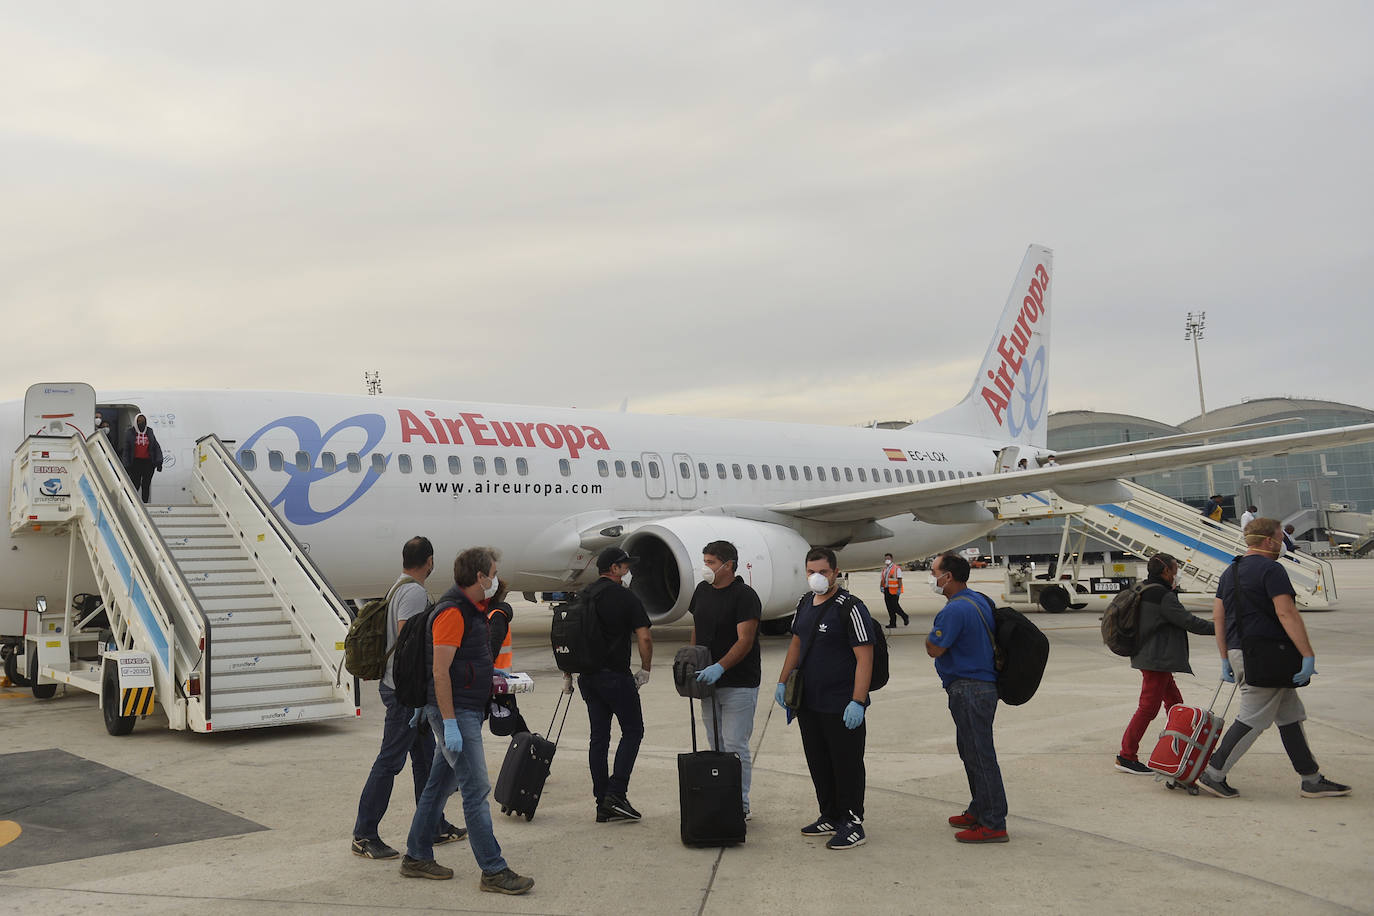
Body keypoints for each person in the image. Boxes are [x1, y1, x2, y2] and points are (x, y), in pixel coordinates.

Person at [402, 547, 534, 895]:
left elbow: (464, 663)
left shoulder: (473, 610)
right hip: (455, 713)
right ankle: (493, 870)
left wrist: (493, 676)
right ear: (479, 577)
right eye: (491, 572)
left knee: (437, 785)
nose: (494, 578)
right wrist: (449, 723)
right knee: (475, 791)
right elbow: (440, 672)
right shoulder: (453, 612)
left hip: (466, 708)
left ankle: (416, 855)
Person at [1197, 518, 1350, 800]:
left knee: (1290, 715)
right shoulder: (1272, 569)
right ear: (1269, 541)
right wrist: (1308, 655)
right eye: (1281, 537)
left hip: (1241, 651)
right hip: (1266, 655)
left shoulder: (1231, 571)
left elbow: (1219, 616)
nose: (1283, 543)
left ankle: (1311, 778)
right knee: (1252, 717)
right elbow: (1286, 612)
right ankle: (1213, 773)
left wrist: (1224, 658)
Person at [352, 537, 464, 859]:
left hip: (405, 690)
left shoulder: (397, 587)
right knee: (390, 761)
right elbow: (408, 639)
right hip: (404, 693)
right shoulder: (414, 592)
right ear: (429, 560)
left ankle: (434, 824)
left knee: (426, 760)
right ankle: (364, 833)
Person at [774, 547, 874, 850]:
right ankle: (829, 814)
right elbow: (796, 643)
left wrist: (857, 700)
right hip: (810, 701)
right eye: (811, 572)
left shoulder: (850, 607)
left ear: (835, 572)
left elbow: (864, 658)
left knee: (847, 764)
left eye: (823, 572)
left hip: (840, 703)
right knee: (818, 761)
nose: (817, 577)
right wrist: (782, 682)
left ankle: (853, 822)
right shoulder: (805, 602)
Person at [925, 552, 1009, 843]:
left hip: (969, 688)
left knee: (980, 755)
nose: (932, 577)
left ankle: (994, 822)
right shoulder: (980, 599)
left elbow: (934, 648)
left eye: (934, 571)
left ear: (948, 577)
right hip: (981, 687)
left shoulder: (953, 611)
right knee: (971, 752)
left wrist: (930, 640)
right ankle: (979, 808)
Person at [1113, 553, 1215, 774]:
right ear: (1166, 571)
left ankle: (1183, 745)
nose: (1177, 574)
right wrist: (1222, 628)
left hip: (1148, 655)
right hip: (1156, 659)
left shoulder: (1143, 589)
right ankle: (1126, 755)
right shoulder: (1162, 595)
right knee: (1148, 708)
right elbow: (1189, 621)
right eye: (1175, 569)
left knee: (1175, 703)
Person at [688, 540, 762, 818]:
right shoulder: (702, 591)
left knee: (734, 745)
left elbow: (745, 640)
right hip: (708, 683)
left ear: (728, 565)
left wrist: (720, 666)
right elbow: (697, 629)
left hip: (739, 683)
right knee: (715, 744)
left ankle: (740, 805)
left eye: (711, 562)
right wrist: (692, 659)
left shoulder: (744, 596)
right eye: (705, 561)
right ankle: (720, 795)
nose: (706, 567)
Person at [579, 546, 653, 823]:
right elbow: (644, 638)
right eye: (624, 566)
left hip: (588, 677)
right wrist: (645, 669)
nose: (628, 570)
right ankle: (616, 793)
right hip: (615, 676)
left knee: (599, 737)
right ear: (614, 569)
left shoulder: (584, 594)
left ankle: (602, 801)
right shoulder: (625, 597)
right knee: (633, 731)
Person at [485, 579, 529, 736]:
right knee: (514, 722)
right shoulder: (489, 614)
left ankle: (530, 751)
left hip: (497, 680)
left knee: (512, 723)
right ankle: (529, 749)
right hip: (492, 676)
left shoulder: (496, 616)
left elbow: (492, 648)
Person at [121, 413, 163, 503]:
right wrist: (126, 464)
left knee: (146, 484)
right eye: (139, 421)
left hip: (148, 462)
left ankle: (145, 503)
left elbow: (156, 446)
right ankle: (132, 502)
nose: (141, 423)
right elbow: (126, 449)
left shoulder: (149, 431)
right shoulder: (130, 432)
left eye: (143, 421)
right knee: (135, 484)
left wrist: (159, 461)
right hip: (135, 462)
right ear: (136, 422)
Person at [880, 553, 909, 629]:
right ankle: (892, 623)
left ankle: (905, 616)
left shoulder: (896, 568)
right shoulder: (884, 569)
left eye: (888, 558)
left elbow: (899, 579)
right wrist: (881, 587)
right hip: (886, 590)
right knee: (889, 608)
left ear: (892, 559)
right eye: (886, 559)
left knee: (895, 606)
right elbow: (883, 579)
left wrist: (899, 589)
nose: (887, 560)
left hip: (894, 590)